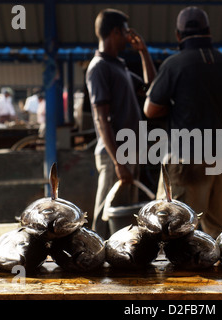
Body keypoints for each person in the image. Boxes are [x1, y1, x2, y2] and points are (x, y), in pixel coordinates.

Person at [144, 6, 222, 238]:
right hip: (220, 154)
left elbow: (150, 109)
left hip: (186, 158)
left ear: (178, 36)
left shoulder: (174, 64)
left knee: (173, 229)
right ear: (209, 32)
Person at [86, 8, 156, 238]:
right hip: (114, 154)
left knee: (126, 213)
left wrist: (144, 52)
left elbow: (151, 89)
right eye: (126, 31)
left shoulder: (120, 65)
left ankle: (121, 261)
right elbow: (101, 119)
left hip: (130, 151)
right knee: (106, 212)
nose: (129, 36)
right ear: (115, 32)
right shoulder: (99, 68)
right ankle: (95, 258)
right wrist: (117, 161)